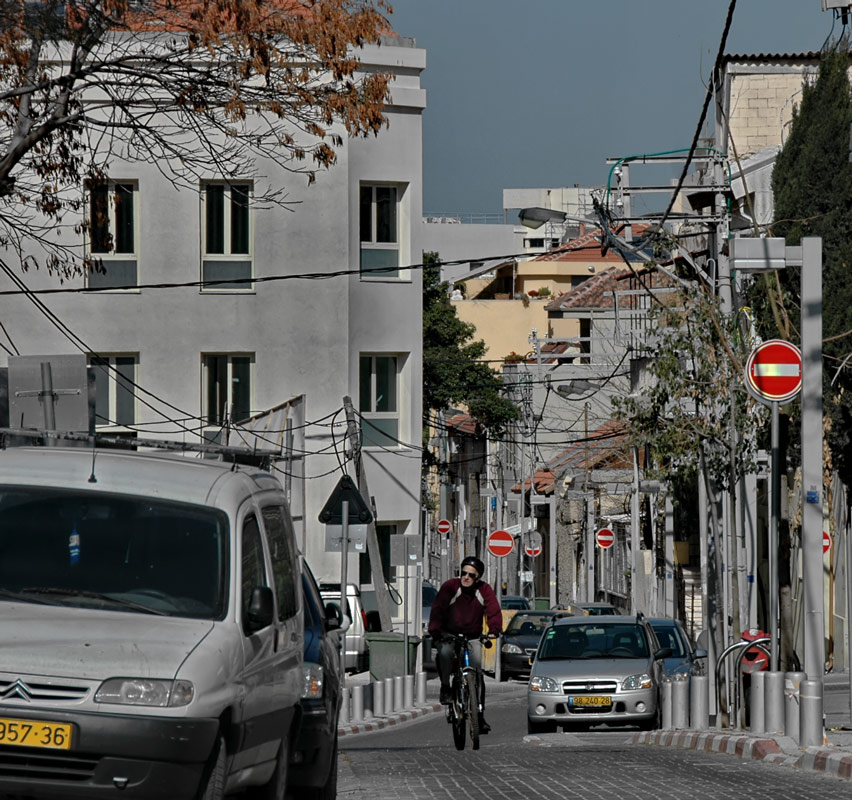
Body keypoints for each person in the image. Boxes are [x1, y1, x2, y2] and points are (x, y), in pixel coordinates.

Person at [428, 555, 502, 733]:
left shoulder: (484, 590)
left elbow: (493, 610)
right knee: (445, 653)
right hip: (449, 634)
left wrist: (494, 629)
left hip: (473, 636)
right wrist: (436, 631)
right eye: (463, 573)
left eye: (471, 575)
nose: (466, 577)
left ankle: (480, 715)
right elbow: (438, 609)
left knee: (477, 671)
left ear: (478, 578)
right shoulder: (450, 587)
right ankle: (446, 687)